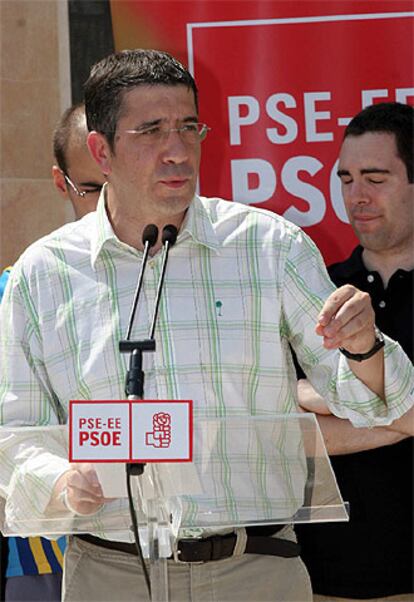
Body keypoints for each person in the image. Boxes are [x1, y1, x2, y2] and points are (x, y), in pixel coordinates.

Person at [0, 51, 412, 602]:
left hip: (256, 569)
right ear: (101, 151)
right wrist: (58, 478)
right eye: (151, 131)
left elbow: (375, 405)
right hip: (108, 571)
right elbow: (15, 429)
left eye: (189, 127)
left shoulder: (272, 247)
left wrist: (364, 349)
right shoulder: (42, 274)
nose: (177, 150)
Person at [296, 102, 413, 601]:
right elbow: (287, 430)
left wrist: (324, 396)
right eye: (346, 179)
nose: (356, 196)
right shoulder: (313, 289)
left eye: (375, 177)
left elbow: (303, 406)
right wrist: (402, 413)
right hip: (322, 581)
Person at [0, 103, 105, 602]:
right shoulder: (18, 287)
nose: (110, 204)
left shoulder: (188, 277)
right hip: (45, 553)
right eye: (93, 189)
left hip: (169, 545)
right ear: (61, 183)